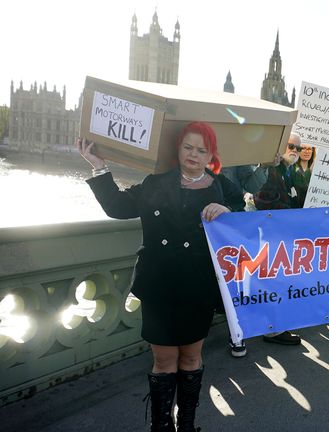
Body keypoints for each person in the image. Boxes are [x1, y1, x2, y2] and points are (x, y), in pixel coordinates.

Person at [77, 121, 245, 431]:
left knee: (192, 359)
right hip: (159, 286)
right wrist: (99, 166)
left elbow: (247, 222)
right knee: (165, 362)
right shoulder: (155, 183)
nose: (193, 154)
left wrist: (228, 211)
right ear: (178, 149)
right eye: (188, 147)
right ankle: (161, 426)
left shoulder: (224, 188)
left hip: (198, 287)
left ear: (211, 154)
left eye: (201, 149)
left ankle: (188, 424)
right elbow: (117, 207)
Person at [222, 134, 306, 358]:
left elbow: (251, 185)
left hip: (264, 230)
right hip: (239, 228)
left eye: (298, 147)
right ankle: (239, 333)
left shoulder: (289, 170)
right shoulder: (267, 165)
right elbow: (260, 197)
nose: (295, 150)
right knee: (237, 282)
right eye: (291, 146)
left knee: (268, 280)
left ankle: (269, 327)